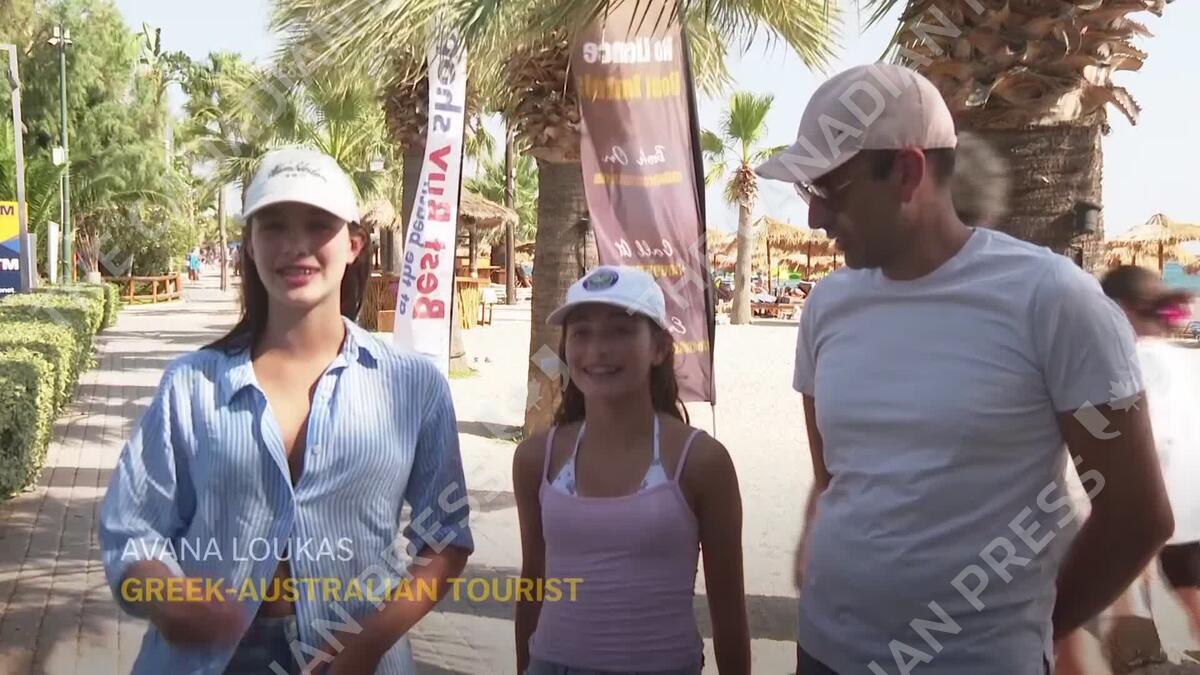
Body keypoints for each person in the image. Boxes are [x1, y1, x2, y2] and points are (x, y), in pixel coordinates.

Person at [754, 63, 1173, 674]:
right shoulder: (827, 305)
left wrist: (1027, 631)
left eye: (829, 187)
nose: (815, 217)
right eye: (806, 190)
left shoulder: (1053, 300)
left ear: (908, 171)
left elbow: (1136, 517)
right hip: (824, 652)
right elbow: (835, 479)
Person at [98, 146, 473, 675]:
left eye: (318, 225)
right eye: (273, 226)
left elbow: (445, 537)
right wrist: (169, 601)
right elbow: (131, 528)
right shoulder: (192, 386)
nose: (295, 246)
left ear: (354, 244)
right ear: (250, 245)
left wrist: (368, 644)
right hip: (207, 661)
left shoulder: (413, 385)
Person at [512, 265, 750, 675]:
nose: (597, 350)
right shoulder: (537, 459)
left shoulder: (701, 462)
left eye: (619, 331)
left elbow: (727, 603)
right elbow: (534, 579)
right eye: (581, 333)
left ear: (659, 348)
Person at [1102, 267, 1200, 646]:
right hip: (1188, 505)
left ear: (1119, 310)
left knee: (1112, 615)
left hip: (1158, 502)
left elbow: (1131, 438)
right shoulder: (1185, 359)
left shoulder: (1132, 362)